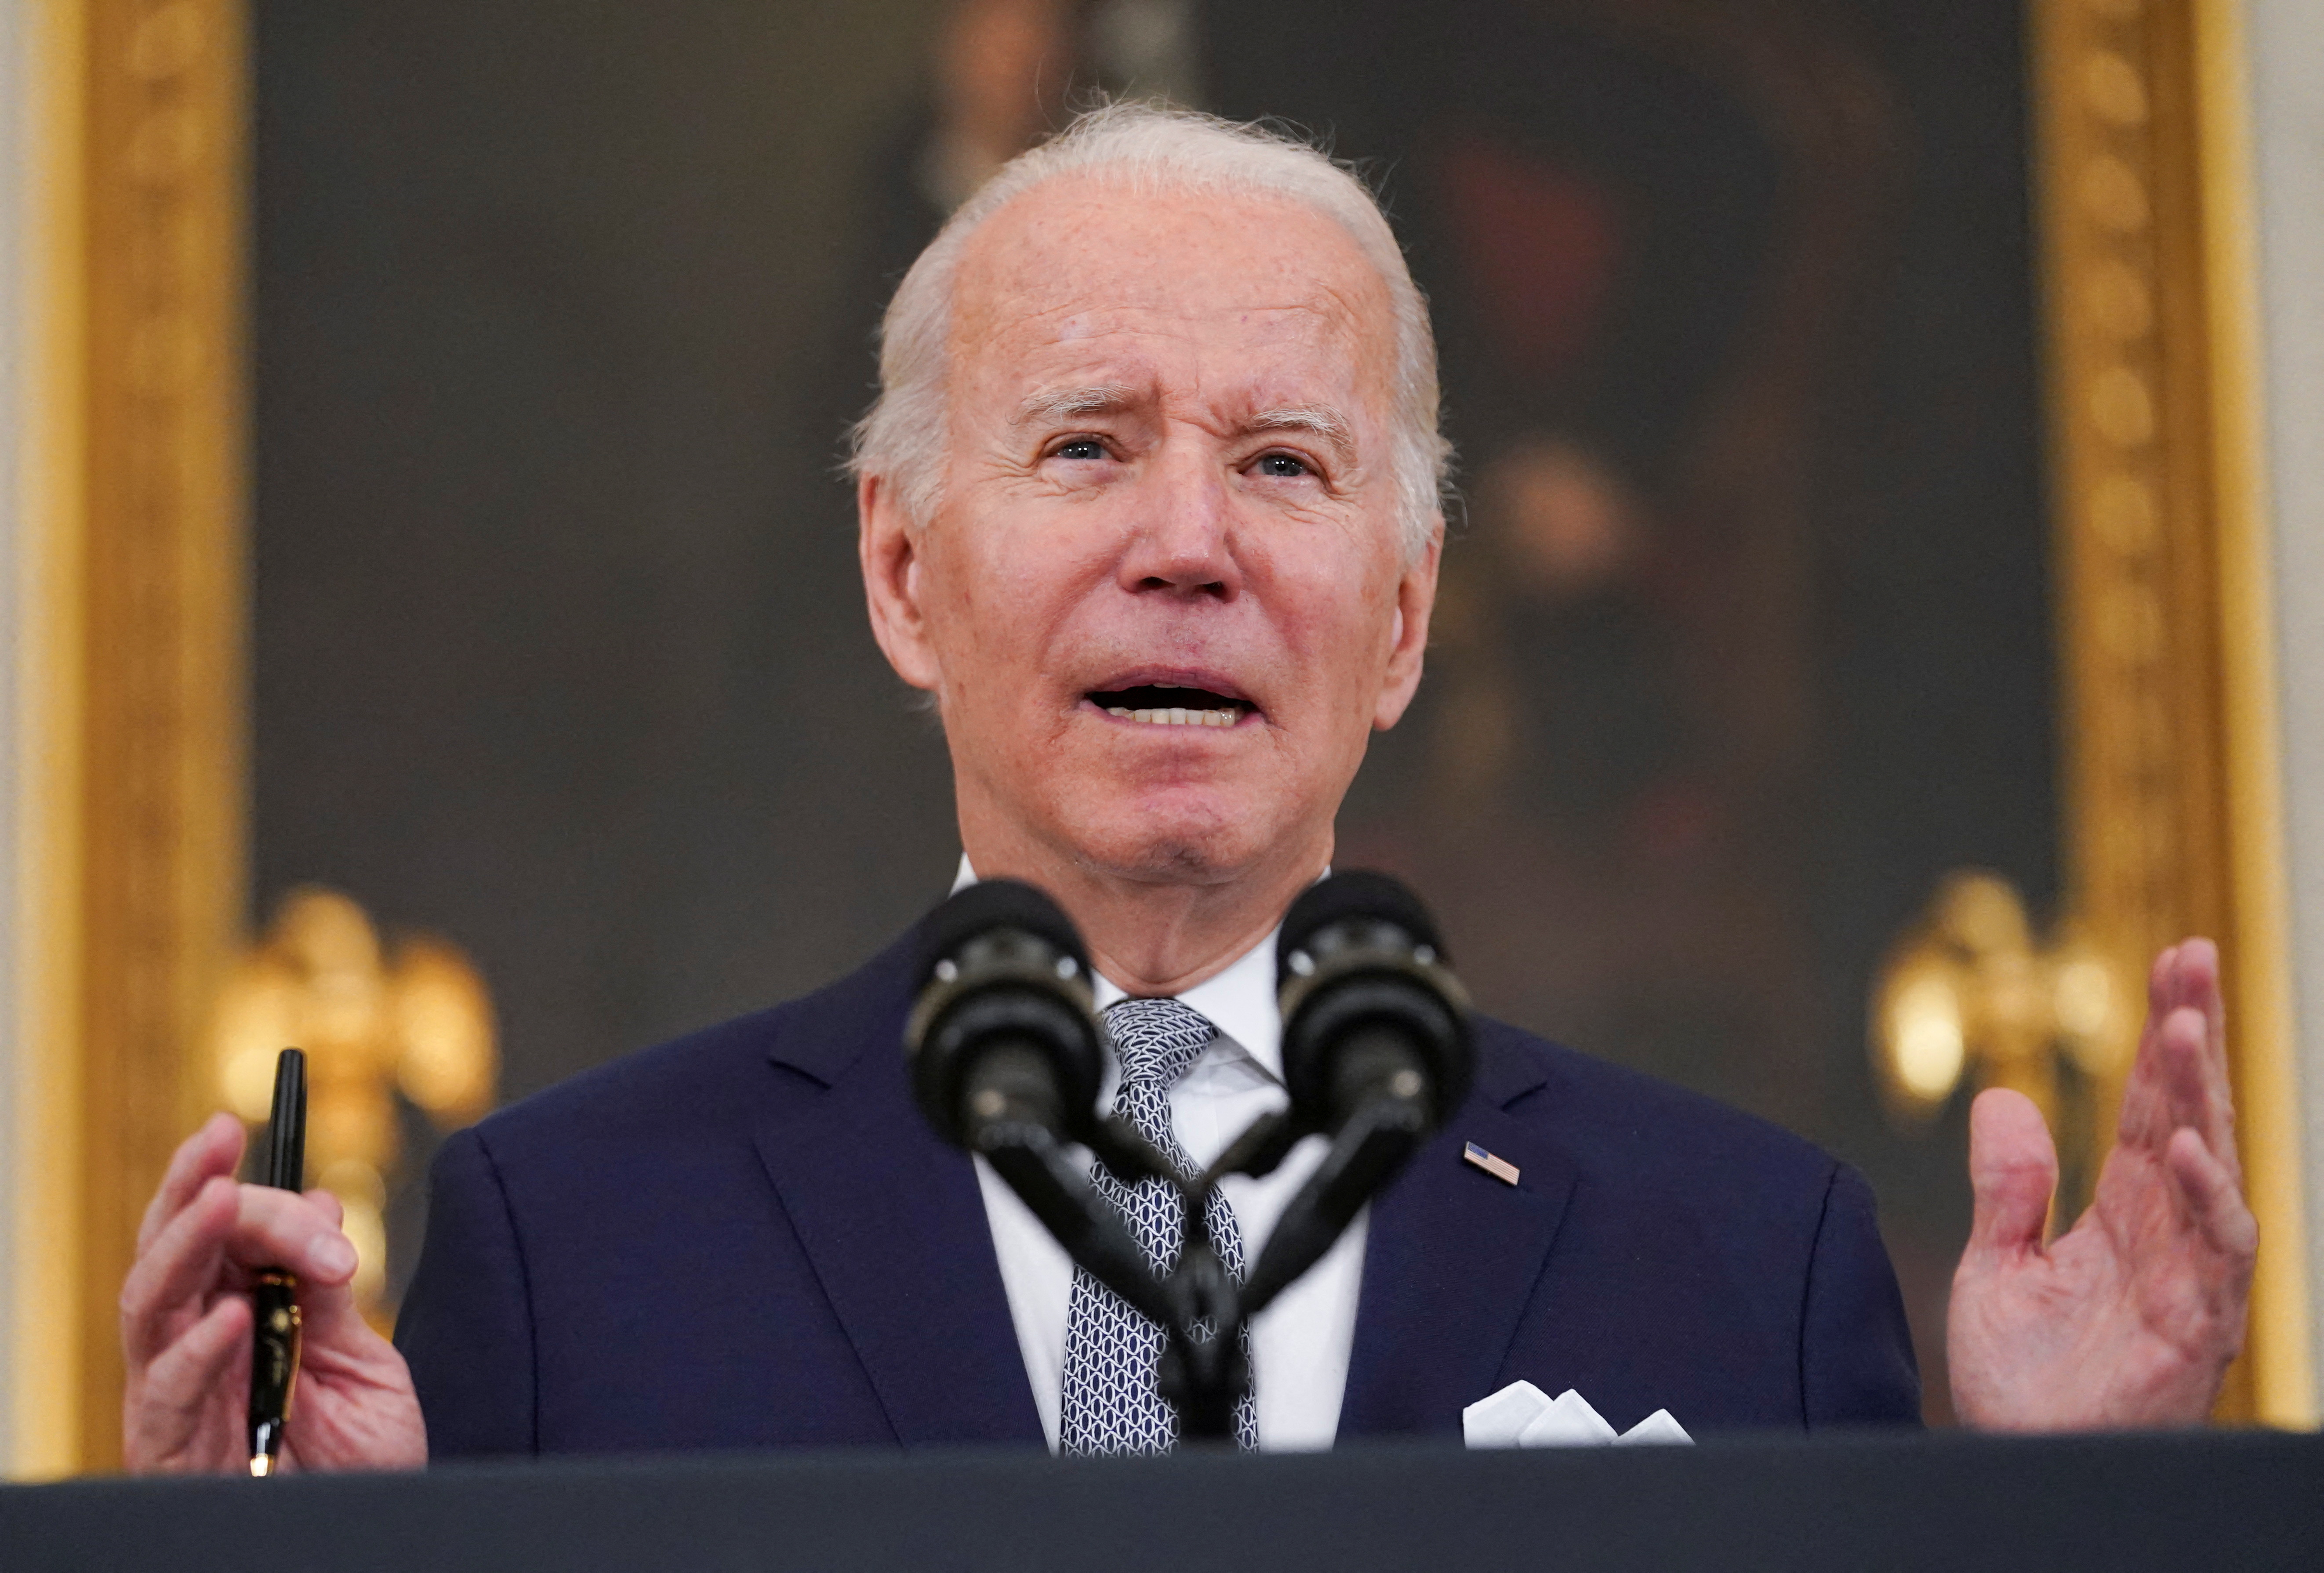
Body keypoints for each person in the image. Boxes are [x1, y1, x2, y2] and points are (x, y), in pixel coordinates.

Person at [117, 104, 2255, 1472]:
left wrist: (2069, 1519)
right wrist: (276, 1570)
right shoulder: (572, 1252)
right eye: (1081, 444)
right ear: (896, 572)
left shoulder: (1733, 1260)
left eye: (1282, 462)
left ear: (1402, 617)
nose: (1186, 541)